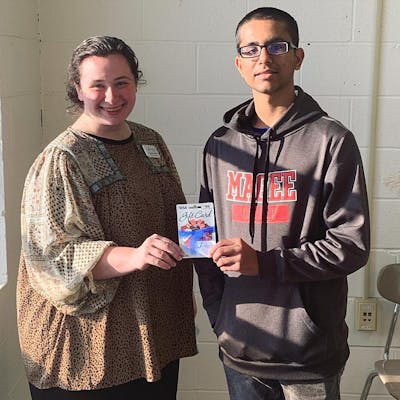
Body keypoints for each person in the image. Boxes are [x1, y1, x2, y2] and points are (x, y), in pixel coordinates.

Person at [195, 7, 370, 400]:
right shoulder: (220, 146)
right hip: (239, 350)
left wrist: (265, 262)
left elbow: (352, 245)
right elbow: (203, 238)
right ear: (239, 63)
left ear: (297, 56)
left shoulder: (331, 141)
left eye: (277, 45)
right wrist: (219, 316)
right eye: (251, 48)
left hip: (308, 357)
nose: (264, 57)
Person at [16, 36, 197, 400]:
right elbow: (52, 258)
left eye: (121, 83)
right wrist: (133, 255)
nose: (112, 97)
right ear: (78, 90)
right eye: (98, 85)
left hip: (154, 328)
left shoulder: (150, 142)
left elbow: (172, 215)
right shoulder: (63, 158)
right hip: (86, 347)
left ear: (135, 82)